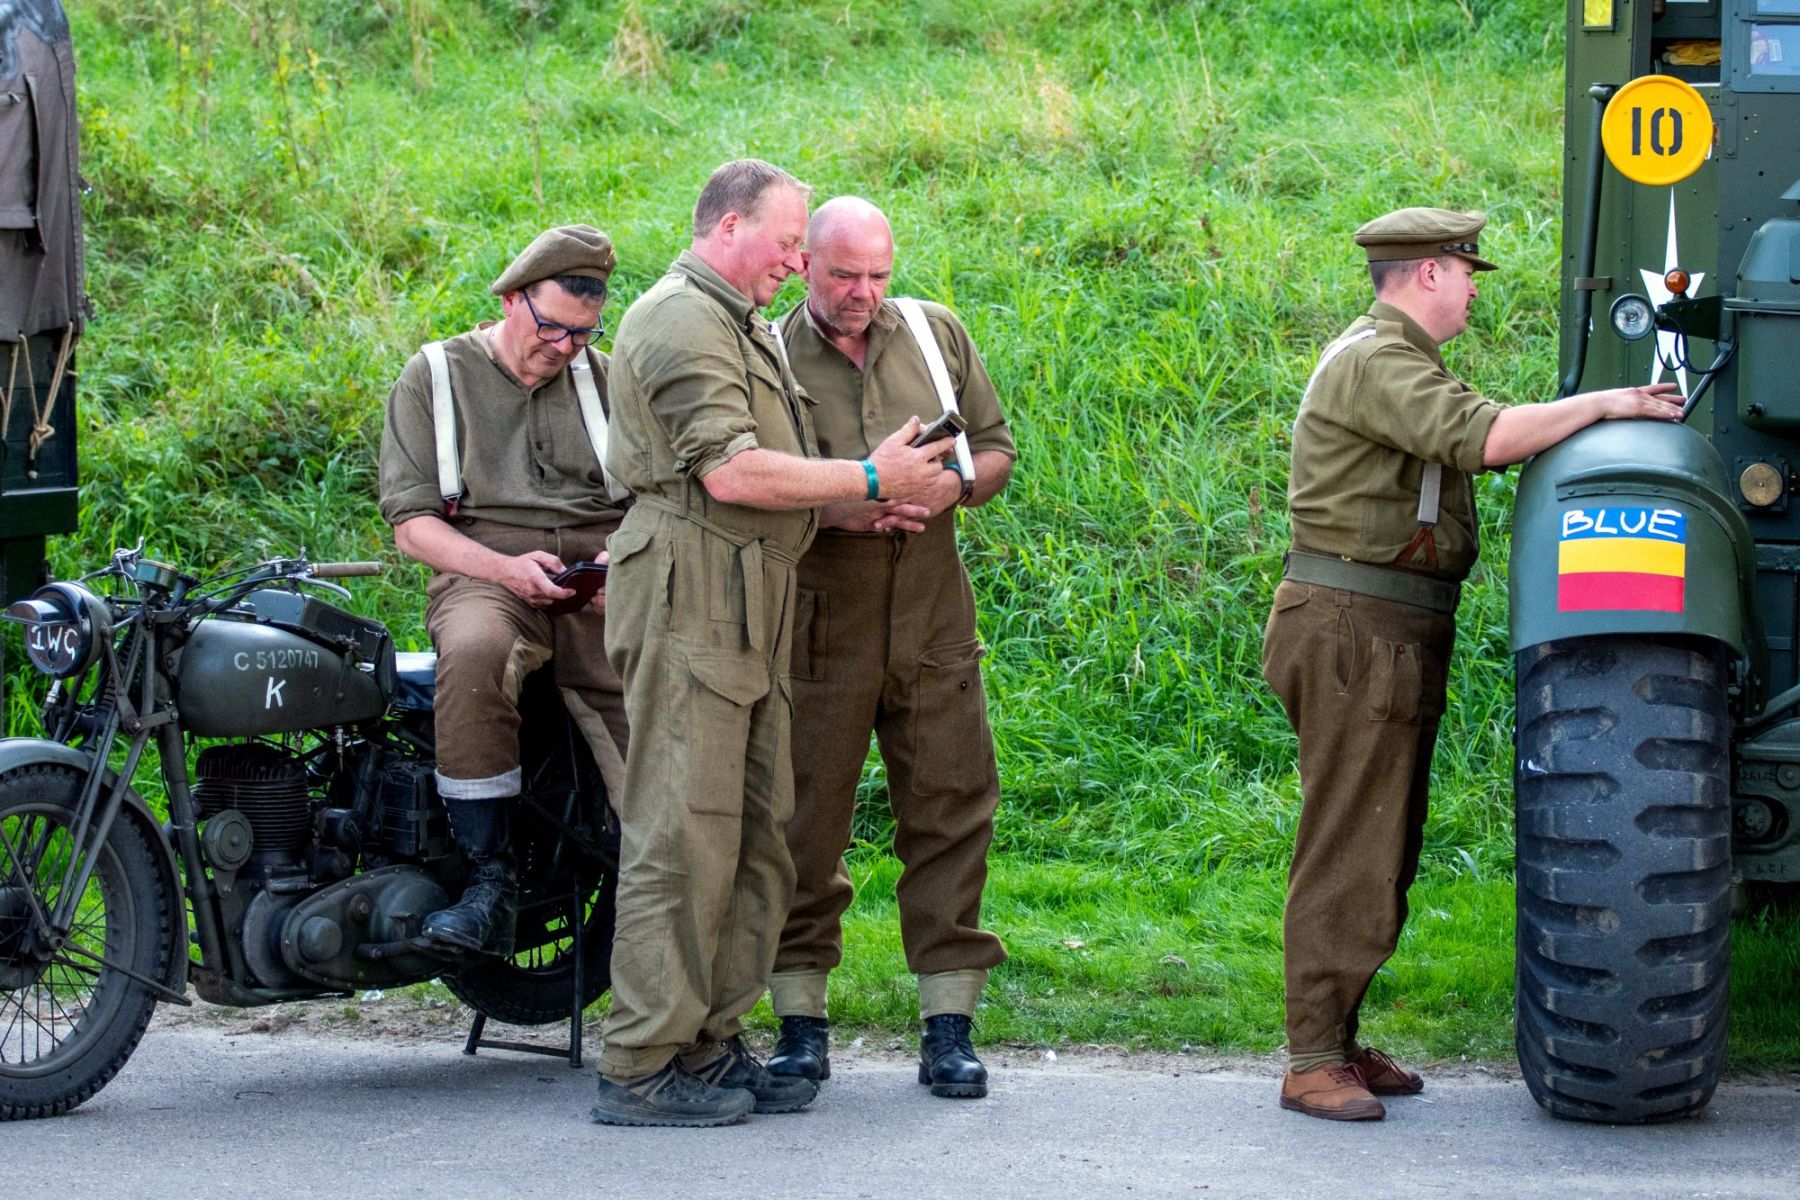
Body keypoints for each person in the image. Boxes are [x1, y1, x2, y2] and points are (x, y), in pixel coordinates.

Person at [1264, 207, 1684, 1122]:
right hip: (1355, 627)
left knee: (1382, 843)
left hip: (1383, 625)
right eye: (1464, 272)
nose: (1471, 289)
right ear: (1425, 275)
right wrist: (1613, 403)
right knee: (1350, 843)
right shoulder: (1379, 360)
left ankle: (1336, 1039)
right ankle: (1309, 1059)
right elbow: (1483, 437)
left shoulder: (1394, 358)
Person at [591, 161, 956, 1128]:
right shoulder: (676, 319)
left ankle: (707, 1042)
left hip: (751, 598)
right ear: (727, 227)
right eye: (789, 244)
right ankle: (641, 1062)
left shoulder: (735, 320)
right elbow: (732, 473)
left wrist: (852, 501)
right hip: (691, 593)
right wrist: (870, 480)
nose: (800, 266)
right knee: (682, 834)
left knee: (754, 838)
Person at [761, 197, 1015, 1100]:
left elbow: (994, 450)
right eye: (844, 276)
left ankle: (949, 1025)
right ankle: (800, 1025)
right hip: (819, 616)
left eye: (878, 274)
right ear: (803, 266)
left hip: (934, 609)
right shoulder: (767, 351)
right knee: (802, 819)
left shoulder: (935, 334)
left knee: (952, 803)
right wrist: (842, 504)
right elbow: (744, 484)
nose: (864, 293)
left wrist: (951, 487)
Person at [378, 224, 631, 957]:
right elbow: (413, 525)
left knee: (661, 699)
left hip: (600, 582)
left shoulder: (610, 382)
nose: (564, 347)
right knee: (477, 648)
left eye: (583, 334)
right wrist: (505, 570)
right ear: (513, 299)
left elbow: (659, 496)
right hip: (487, 574)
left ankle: (659, 889)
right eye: (552, 326)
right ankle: (488, 881)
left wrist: (627, 558)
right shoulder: (434, 375)